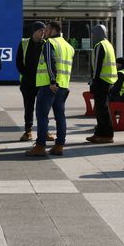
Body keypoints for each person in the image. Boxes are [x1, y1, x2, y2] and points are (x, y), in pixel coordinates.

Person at [26, 21, 75, 157]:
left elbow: (50, 60)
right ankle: (59, 146)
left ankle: (40, 146)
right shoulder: (69, 46)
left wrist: (53, 80)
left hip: (50, 86)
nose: (44, 32)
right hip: (63, 86)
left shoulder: (50, 43)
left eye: (46, 30)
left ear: (53, 30)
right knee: (60, 116)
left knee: (42, 115)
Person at [15, 21, 53, 142]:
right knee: (29, 107)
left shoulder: (47, 44)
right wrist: (26, 75)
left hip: (42, 83)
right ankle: (28, 131)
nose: (43, 33)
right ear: (34, 31)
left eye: (44, 30)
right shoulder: (24, 43)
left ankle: (45, 131)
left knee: (44, 109)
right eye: (41, 30)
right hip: (28, 82)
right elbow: (19, 62)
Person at [86, 24, 118, 144]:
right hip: (109, 81)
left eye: (94, 33)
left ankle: (107, 135)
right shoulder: (109, 45)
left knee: (102, 109)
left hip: (102, 81)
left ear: (99, 33)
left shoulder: (100, 46)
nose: (93, 36)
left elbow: (98, 65)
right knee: (102, 108)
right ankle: (99, 133)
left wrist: (93, 81)